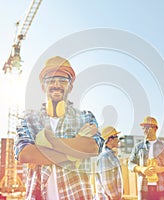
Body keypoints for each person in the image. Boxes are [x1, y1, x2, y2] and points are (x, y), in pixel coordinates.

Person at [14, 56, 104, 200]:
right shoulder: (29, 119)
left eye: (63, 80)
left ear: (71, 86)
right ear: (43, 86)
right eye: (51, 80)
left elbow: (92, 148)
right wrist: (74, 153)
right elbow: (26, 154)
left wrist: (48, 140)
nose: (57, 84)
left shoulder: (85, 117)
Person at [128, 116, 164, 200]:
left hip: (162, 188)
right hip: (144, 188)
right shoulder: (138, 147)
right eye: (143, 128)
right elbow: (130, 164)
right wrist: (141, 169)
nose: (144, 130)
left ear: (155, 128)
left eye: (147, 128)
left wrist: (161, 169)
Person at [95, 126, 123, 200]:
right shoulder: (105, 157)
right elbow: (107, 182)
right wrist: (116, 197)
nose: (118, 140)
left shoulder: (110, 155)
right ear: (110, 139)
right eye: (116, 137)